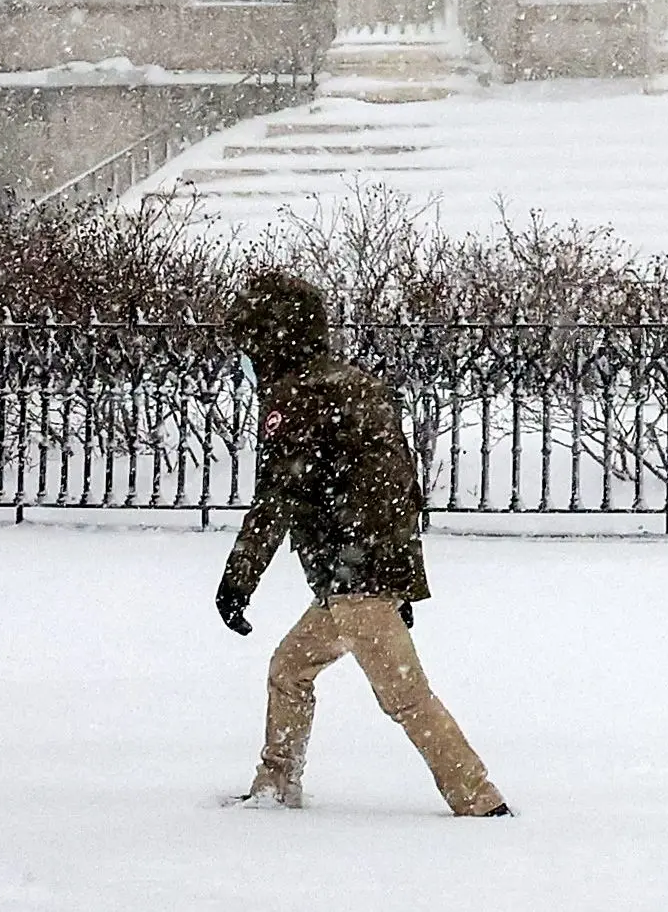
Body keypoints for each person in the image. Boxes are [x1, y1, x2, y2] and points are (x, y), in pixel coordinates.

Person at [215, 268, 510, 817]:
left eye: (249, 337)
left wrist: (237, 581)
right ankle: (275, 786)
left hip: (352, 576)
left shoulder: (297, 395)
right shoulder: (354, 384)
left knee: (403, 695)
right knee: (290, 668)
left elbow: (277, 497)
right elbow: (399, 483)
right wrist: (399, 573)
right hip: (361, 571)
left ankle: (478, 798)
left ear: (270, 337)